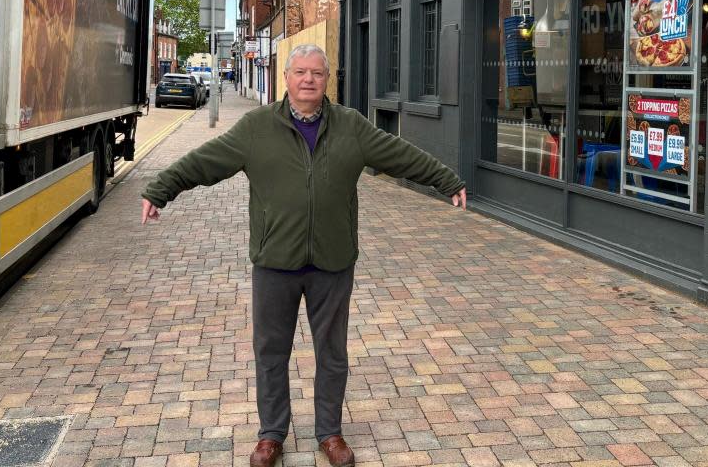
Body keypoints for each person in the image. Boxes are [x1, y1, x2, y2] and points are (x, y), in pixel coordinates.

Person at [141, 43, 466, 467]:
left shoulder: (352, 126)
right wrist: (159, 189)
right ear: (287, 78)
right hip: (275, 262)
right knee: (271, 352)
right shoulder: (256, 128)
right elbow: (205, 161)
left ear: (327, 80)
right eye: (300, 72)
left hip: (332, 263)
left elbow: (402, 155)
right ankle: (271, 434)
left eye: (317, 72)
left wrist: (447, 181)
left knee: (332, 353)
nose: (308, 79)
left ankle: (329, 433)